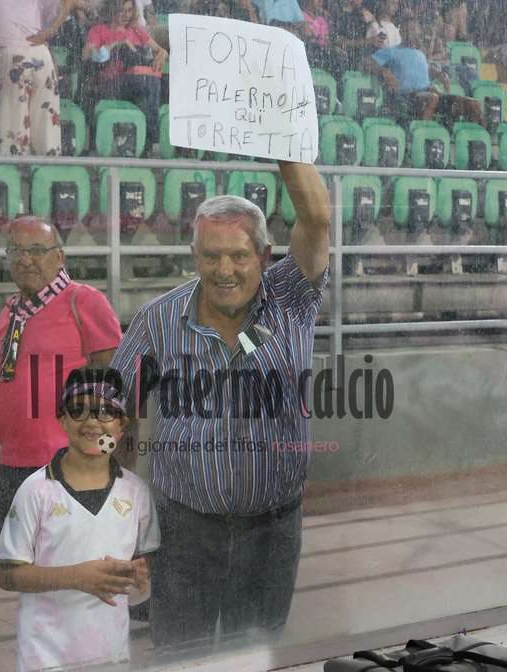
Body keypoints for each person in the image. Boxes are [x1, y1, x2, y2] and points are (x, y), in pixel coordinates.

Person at [109, 160, 330, 651]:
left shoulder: (291, 298)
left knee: (253, 654)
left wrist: (283, 140)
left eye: (238, 256)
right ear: (194, 255)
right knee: (178, 656)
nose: (224, 270)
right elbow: (114, 409)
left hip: (272, 532)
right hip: (183, 531)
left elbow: (316, 220)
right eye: (210, 256)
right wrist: (117, 512)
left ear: (265, 255)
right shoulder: (158, 318)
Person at [0, 216, 123, 550]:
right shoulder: (9, 312)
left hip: (66, 467)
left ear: (59, 257)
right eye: (16, 251)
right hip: (13, 468)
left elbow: (118, 385)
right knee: (14, 567)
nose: (25, 260)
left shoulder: (84, 301)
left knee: (71, 568)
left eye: (36, 250)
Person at [0, 369, 160, 672]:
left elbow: (144, 571)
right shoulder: (36, 490)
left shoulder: (135, 492)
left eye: (105, 411)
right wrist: (76, 577)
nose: (92, 422)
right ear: (62, 419)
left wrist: (140, 577)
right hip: (45, 657)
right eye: (78, 410)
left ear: (121, 424)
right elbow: (6, 574)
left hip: (111, 655)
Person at [0, 0, 76, 157]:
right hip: (41, 56)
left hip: (11, 57)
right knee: (46, 121)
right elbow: (68, 2)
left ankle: (13, 163)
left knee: (12, 123)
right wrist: (49, 32)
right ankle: (48, 163)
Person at [82, 0, 167, 153]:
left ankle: (147, 139)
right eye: (121, 11)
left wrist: (162, 54)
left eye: (129, 10)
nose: (126, 15)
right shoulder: (99, 30)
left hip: (139, 82)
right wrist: (116, 44)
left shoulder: (137, 31)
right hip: (110, 84)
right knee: (148, 81)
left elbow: (160, 49)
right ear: (111, 10)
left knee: (156, 81)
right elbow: (87, 56)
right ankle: (150, 140)